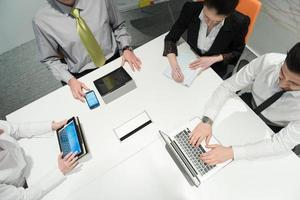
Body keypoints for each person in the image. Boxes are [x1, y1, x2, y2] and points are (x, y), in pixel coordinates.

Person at [189, 43, 300, 165]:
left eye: (294, 84)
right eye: (282, 74)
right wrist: (207, 120)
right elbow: (227, 87)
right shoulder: (269, 61)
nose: (282, 84)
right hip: (249, 103)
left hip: (274, 127)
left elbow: (282, 143)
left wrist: (232, 152)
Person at [33, 0, 142, 102]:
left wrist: (126, 48)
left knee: (136, 99)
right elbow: (50, 59)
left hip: (116, 61)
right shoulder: (41, 20)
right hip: (82, 78)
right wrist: (70, 80)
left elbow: (118, 25)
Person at [163, 0, 250, 82]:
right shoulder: (191, 8)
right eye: (206, 17)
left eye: (217, 22)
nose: (209, 24)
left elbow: (237, 51)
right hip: (190, 57)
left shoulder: (240, 22)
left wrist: (214, 59)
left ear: (228, 15)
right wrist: (175, 67)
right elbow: (170, 38)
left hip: (215, 67)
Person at [0, 119, 78, 200]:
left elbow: (17, 130)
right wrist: (60, 171)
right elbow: (24, 197)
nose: (2, 131)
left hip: (29, 150)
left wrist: (51, 126)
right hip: (28, 183)